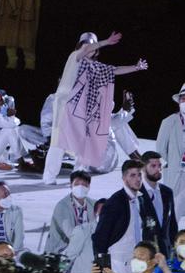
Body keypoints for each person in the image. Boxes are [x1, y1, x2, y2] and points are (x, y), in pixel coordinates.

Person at [42, 31, 147, 185]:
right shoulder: (74, 58)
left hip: (83, 114)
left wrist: (136, 67)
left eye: (92, 45)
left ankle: (78, 177)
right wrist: (106, 41)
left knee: (84, 146)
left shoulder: (97, 68)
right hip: (65, 111)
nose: (89, 48)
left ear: (96, 51)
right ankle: (49, 178)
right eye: (86, 45)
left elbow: (115, 70)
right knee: (58, 144)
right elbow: (84, 51)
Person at [93, 160, 150, 273]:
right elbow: (100, 236)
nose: (138, 179)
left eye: (139, 174)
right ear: (124, 178)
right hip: (118, 262)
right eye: (133, 175)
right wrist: (102, 266)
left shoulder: (141, 200)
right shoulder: (114, 202)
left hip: (138, 261)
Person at [46, 170, 95, 254]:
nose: (80, 187)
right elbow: (71, 234)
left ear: (89, 187)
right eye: (77, 184)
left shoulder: (93, 204)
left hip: (85, 248)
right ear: (71, 186)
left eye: (84, 185)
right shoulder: (62, 206)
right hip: (61, 251)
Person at [157, 82, 185, 227]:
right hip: (176, 175)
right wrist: (171, 165)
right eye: (183, 98)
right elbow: (160, 149)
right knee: (173, 215)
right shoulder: (169, 122)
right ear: (179, 101)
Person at [141, 150, 178, 256]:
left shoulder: (167, 192)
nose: (158, 169)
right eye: (153, 166)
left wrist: (175, 250)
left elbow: (172, 225)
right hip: (146, 255)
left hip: (166, 253)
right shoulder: (137, 194)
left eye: (159, 165)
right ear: (143, 168)